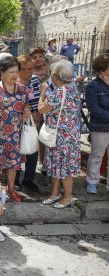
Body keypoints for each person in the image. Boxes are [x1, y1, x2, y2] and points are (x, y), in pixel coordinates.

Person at [0, 56, 30, 203]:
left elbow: (26, 107)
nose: (15, 75)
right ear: (1, 72)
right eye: (11, 72)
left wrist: (27, 111)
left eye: (16, 71)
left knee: (13, 164)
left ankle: (11, 190)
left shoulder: (23, 89)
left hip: (15, 134)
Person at [39, 60, 81, 208]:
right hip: (66, 134)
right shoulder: (73, 87)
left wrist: (42, 94)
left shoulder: (59, 92)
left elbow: (42, 109)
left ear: (56, 75)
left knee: (64, 168)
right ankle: (55, 193)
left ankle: (68, 197)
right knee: (57, 166)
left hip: (62, 136)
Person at [13, 55, 41, 192]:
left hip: (32, 121)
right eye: (24, 69)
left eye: (31, 69)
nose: (28, 72)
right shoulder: (12, 81)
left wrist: (36, 118)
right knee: (17, 151)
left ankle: (29, 178)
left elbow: (39, 99)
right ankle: (16, 179)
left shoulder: (35, 80)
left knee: (32, 150)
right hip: (16, 122)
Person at [85, 54, 109, 194]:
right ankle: (92, 181)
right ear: (102, 68)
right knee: (96, 155)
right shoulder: (93, 87)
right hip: (100, 127)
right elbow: (93, 109)